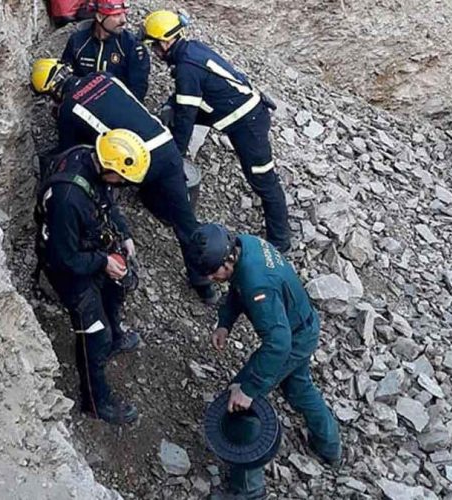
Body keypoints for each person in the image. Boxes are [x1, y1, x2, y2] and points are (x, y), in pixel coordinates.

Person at [31, 58, 219, 304]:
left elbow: (71, 153)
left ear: (51, 91)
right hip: (165, 146)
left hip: (133, 162)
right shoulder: (103, 76)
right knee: (185, 221)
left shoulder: (69, 109)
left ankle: (112, 262)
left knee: (100, 200)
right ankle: (203, 283)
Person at [188, 224, 341, 498]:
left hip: (292, 339)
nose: (211, 278)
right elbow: (237, 288)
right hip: (301, 324)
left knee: (237, 400)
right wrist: (225, 322)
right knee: (298, 387)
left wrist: (249, 389)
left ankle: (247, 489)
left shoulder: (257, 283)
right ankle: (329, 446)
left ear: (228, 258)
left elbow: (278, 345)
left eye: (214, 272)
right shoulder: (244, 245)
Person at [140, 11, 291, 253]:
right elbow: (187, 95)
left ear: (166, 42)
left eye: (154, 46)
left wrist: (176, 157)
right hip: (233, 110)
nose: (155, 53)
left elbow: (186, 117)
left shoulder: (186, 68)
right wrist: (171, 104)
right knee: (172, 113)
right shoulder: (191, 51)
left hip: (247, 123)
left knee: (263, 179)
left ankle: (280, 241)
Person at [36, 128, 151, 425]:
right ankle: (95, 401)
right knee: (93, 335)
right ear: (110, 168)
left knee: (113, 293)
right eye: (122, 179)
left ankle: (115, 338)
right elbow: (64, 259)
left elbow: (106, 203)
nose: (124, 185)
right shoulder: (68, 199)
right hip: (67, 265)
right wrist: (102, 262)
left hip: (87, 246)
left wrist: (123, 235)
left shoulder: (91, 158)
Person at [61, 0, 150, 101]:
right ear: (99, 17)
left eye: (124, 13)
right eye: (116, 15)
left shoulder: (132, 46)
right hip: (82, 106)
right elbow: (66, 79)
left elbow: (138, 91)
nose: (123, 20)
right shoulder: (77, 41)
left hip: (117, 109)